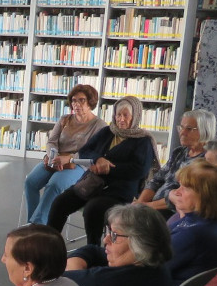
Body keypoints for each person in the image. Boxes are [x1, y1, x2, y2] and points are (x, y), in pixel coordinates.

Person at [46, 96, 157, 246]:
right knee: (60, 203)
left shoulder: (143, 141)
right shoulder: (107, 132)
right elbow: (85, 150)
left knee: (93, 210)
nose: (121, 119)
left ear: (135, 116)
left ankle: (93, 251)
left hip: (120, 191)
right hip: (91, 184)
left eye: (126, 115)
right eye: (118, 115)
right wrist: (98, 159)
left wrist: (108, 168)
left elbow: (138, 170)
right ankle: (49, 245)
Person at [23, 83, 104, 226]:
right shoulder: (65, 119)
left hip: (78, 165)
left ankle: (37, 226)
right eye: (73, 100)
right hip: (56, 159)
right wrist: (52, 155)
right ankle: (35, 221)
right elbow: (51, 141)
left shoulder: (100, 126)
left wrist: (69, 158)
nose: (76, 104)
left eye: (81, 100)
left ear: (91, 102)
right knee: (30, 182)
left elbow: (93, 154)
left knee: (54, 185)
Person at [165, 161, 217, 283]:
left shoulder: (193, 234)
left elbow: (150, 268)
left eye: (185, 188)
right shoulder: (213, 222)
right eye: (179, 186)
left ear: (205, 195)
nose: (177, 192)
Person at [137, 109, 215, 215]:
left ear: (204, 131)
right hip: (152, 208)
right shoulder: (179, 152)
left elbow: (184, 197)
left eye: (189, 129)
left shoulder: (207, 160)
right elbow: (156, 181)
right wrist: (140, 203)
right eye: (181, 127)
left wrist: (148, 206)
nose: (182, 132)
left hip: (175, 212)